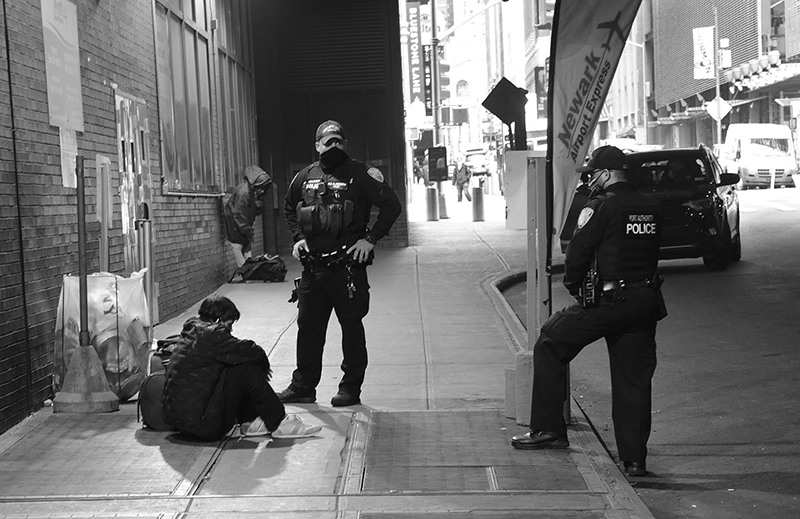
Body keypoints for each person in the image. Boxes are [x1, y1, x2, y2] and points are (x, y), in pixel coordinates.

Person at [510, 146, 666, 479]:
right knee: (634, 381)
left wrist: (576, 287)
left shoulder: (600, 207)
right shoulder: (651, 207)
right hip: (644, 302)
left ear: (608, 174)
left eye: (593, 174)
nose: (590, 180)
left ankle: (549, 430)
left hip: (606, 303)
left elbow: (578, 254)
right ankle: (635, 461)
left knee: (551, 341)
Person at [278, 120, 402, 407]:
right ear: (318, 145)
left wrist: (370, 239)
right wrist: (298, 239)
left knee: (351, 329)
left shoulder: (361, 174)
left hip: (348, 269)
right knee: (308, 329)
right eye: (328, 141)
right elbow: (288, 206)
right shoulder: (305, 176)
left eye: (338, 142)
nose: (333, 146)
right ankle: (303, 387)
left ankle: (350, 389)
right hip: (313, 270)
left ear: (345, 145)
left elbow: (390, 205)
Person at [161, 295, 322, 441]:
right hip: (205, 426)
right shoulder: (213, 335)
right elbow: (253, 351)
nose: (230, 330)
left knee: (234, 365)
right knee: (247, 369)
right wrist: (263, 368)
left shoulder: (192, 328)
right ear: (218, 320)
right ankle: (279, 421)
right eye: (229, 324)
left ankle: (250, 420)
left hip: (181, 424)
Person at [223, 166, 272, 268]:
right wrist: (247, 230)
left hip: (240, 223)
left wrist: (258, 205)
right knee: (237, 246)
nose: (263, 192)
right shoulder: (244, 192)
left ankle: (248, 269)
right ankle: (245, 270)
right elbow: (239, 214)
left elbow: (249, 212)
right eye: (262, 189)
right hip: (235, 224)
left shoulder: (252, 190)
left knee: (245, 245)